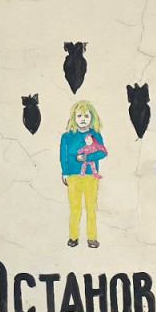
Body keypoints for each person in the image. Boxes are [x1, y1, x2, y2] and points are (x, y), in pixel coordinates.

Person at [59, 100, 106, 248]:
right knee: (75, 207)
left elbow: (102, 152)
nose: (83, 119)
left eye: (86, 115)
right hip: (73, 176)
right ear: (74, 118)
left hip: (91, 176)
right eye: (79, 116)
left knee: (91, 206)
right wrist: (65, 172)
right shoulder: (67, 136)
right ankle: (73, 237)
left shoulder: (95, 135)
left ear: (92, 117)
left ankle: (92, 238)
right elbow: (63, 156)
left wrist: (87, 158)